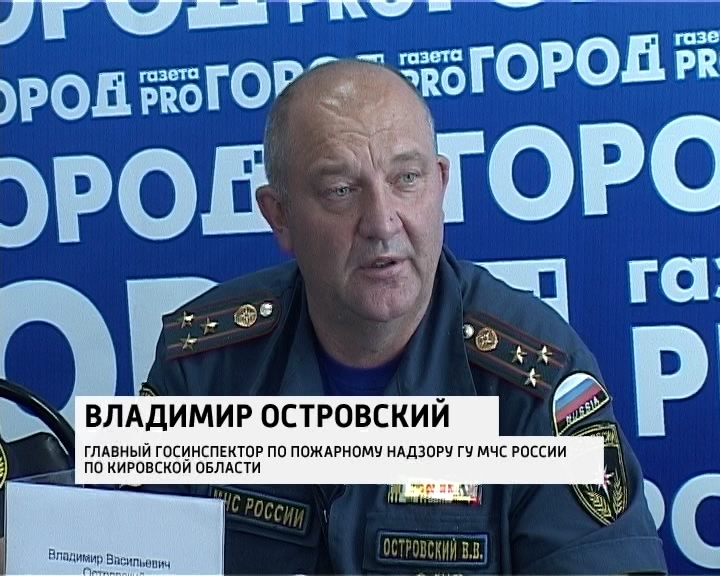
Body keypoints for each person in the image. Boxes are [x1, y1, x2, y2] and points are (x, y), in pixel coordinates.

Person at [137, 59, 668, 575]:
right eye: (341, 190)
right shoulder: (202, 367)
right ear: (280, 215)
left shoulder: (534, 381)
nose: (381, 222)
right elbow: (130, 556)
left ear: (440, 185)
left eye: (407, 178)